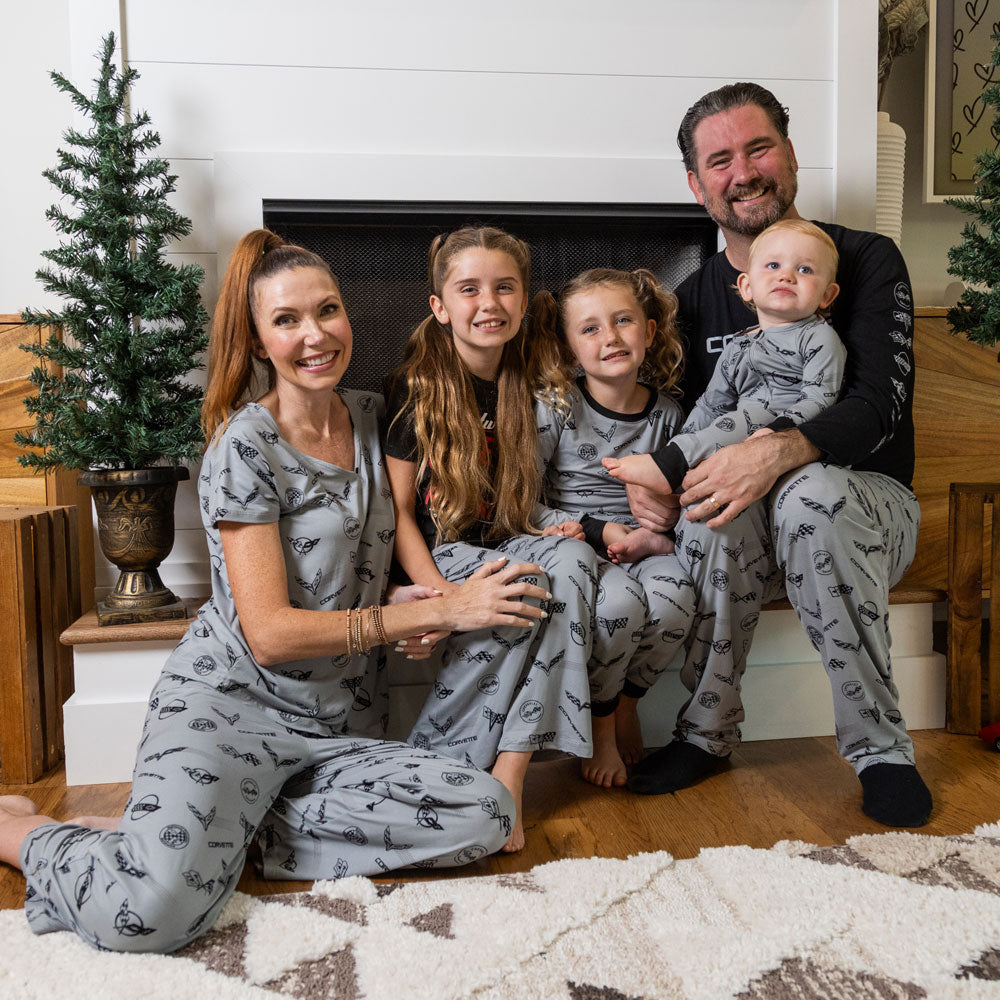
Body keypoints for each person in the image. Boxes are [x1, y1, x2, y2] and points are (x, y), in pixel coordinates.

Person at [0, 229, 554, 954]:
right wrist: (438, 609)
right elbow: (269, 634)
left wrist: (416, 605)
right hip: (231, 706)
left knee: (484, 811)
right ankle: (24, 832)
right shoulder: (244, 448)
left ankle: (224, 832)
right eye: (287, 321)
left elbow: (378, 546)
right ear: (260, 342)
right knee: (151, 912)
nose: (315, 335)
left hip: (334, 726)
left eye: (327, 311)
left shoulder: (371, 417)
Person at [604, 83, 932, 828]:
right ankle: (707, 732)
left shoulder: (867, 261)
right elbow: (697, 424)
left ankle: (880, 751)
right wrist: (657, 485)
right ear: (696, 185)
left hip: (866, 512)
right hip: (748, 528)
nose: (743, 172)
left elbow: (876, 406)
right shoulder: (692, 300)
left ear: (789, 155)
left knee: (810, 491)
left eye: (758, 148)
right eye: (719, 160)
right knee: (714, 504)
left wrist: (778, 453)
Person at [384, 228, 648, 845]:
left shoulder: (529, 381)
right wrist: (442, 600)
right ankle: (493, 773)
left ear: (526, 301)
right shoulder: (416, 387)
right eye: (469, 289)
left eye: (505, 287)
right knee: (534, 585)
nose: (489, 303)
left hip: (508, 539)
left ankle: (511, 773)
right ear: (440, 306)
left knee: (571, 560)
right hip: (443, 552)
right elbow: (397, 513)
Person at [529, 267, 695, 773]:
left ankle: (627, 705)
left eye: (624, 320)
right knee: (617, 606)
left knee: (676, 600)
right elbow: (522, 500)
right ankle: (600, 723)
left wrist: (655, 534)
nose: (611, 337)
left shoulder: (668, 414)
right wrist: (599, 531)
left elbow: (682, 495)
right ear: (567, 348)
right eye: (591, 328)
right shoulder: (556, 407)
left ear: (648, 330)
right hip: (577, 544)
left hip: (644, 544)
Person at [646, 219, 845, 495]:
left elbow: (820, 397)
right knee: (710, 483)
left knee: (745, 418)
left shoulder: (818, 336)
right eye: (774, 265)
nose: (786, 276)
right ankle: (677, 466)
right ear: (747, 286)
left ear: (827, 295)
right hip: (738, 443)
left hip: (788, 437)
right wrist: (685, 436)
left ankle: (670, 464)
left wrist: (777, 431)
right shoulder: (738, 344)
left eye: (805, 269)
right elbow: (712, 404)